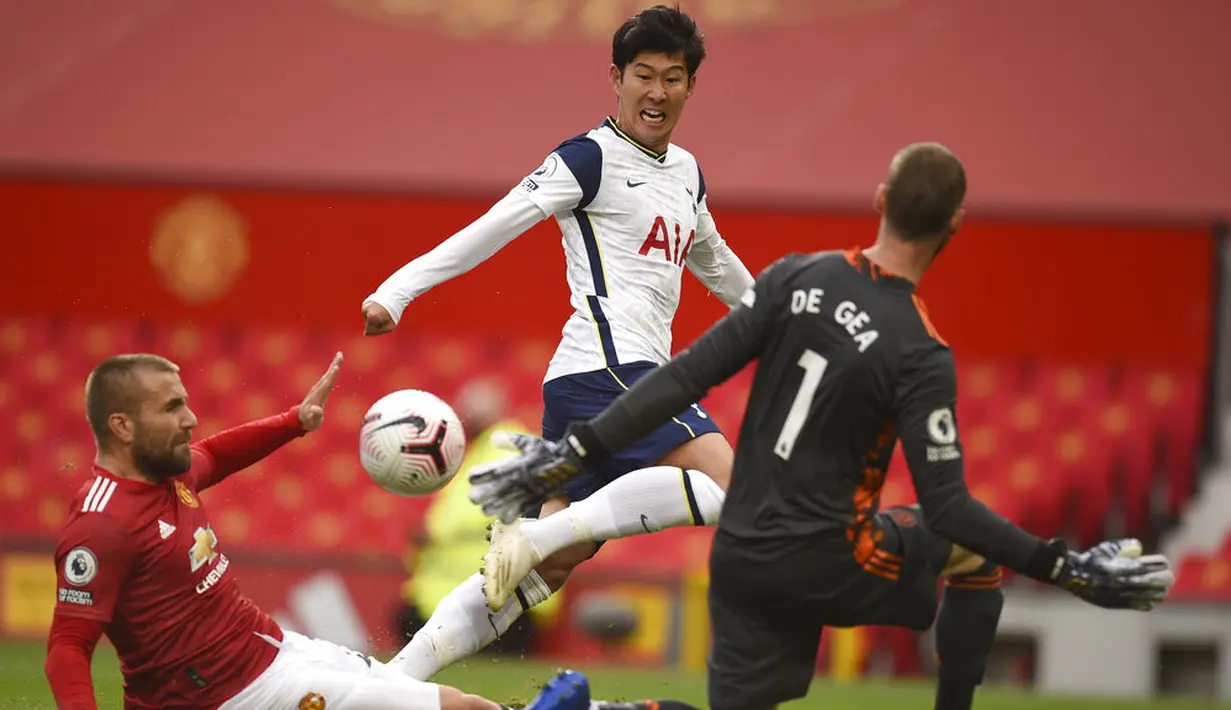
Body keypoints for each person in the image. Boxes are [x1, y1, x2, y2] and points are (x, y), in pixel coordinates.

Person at [466, 143, 1178, 710]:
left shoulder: (791, 279)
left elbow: (681, 377)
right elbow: (948, 507)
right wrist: (1064, 567)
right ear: (954, 226)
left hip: (742, 555)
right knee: (971, 554)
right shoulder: (919, 350)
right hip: (830, 557)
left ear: (879, 203)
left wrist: (568, 455)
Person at [362, 4, 751, 679]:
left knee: (532, 576)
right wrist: (397, 290)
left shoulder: (686, 173)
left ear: (690, 86)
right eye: (642, 75)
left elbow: (715, 262)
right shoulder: (588, 157)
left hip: (604, 381)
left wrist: (786, 321)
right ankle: (540, 529)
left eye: (672, 78)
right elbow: (496, 223)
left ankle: (390, 681)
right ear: (616, 77)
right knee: (738, 488)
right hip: (609, 370)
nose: (656, 92)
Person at [42, 352, 598, 710]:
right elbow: (68, 646)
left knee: (437, 699)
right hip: (231, 696)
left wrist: (294, 422)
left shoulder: (172, 471)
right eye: (172, 408)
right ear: (121, 425)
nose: (190, 419)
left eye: (186, 403)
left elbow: (215, 452)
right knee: (456, 709)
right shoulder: (101, 525)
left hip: (271, 650)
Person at [395, 378, 560, 654]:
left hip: (489, 597)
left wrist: (432, 533)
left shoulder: (503, 446)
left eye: (464, 410)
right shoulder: (487, 449)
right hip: (481, 595)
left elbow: (480, 510)